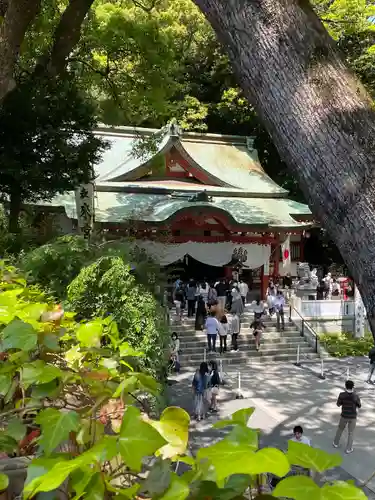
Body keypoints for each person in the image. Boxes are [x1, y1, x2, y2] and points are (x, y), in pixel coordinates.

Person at [333, 380, 361, 454]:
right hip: (353, 417)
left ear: (345, 386)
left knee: (340, 429)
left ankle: (335, 443)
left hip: (344, 415)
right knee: (351, 433)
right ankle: (348, 449)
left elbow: (338, 404)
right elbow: (359, 405)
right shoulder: (356, 396)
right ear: (353, 387)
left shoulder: (342, 395)